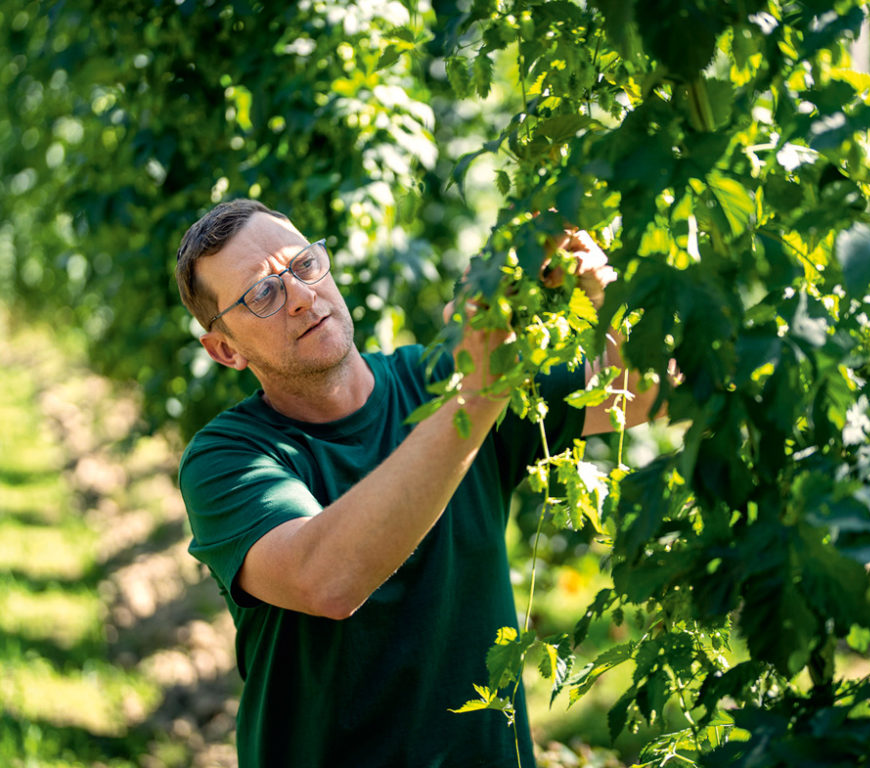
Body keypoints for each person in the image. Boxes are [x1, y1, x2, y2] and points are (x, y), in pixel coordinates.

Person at [174, 199, 660, 767]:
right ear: (225, 349)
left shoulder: (439, 379)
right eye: (262, 294)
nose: (301, 297)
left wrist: (606, 296)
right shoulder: (226, 458)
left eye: (304, 265)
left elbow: (651, 390)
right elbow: (327, 579)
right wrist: (480, 393)